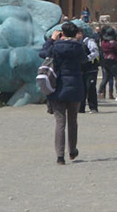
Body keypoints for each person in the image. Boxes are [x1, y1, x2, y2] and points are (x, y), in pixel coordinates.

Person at [39, 22, 91, 163]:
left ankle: (60, 155)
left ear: (62, 33)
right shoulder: (78, 47)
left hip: (57, 85)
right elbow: (85, 60)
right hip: (74, 86)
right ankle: (72, 150)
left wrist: (51, 40)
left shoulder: (55, 47)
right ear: (75, 34)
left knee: (60, 122)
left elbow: (42, 53)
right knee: (73, 120)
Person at [99, 24, 117, 101]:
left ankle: (99, 93)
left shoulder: (103, 43)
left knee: (105, 78)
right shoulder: (114, 44)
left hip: (105, 61)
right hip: (113, 60)